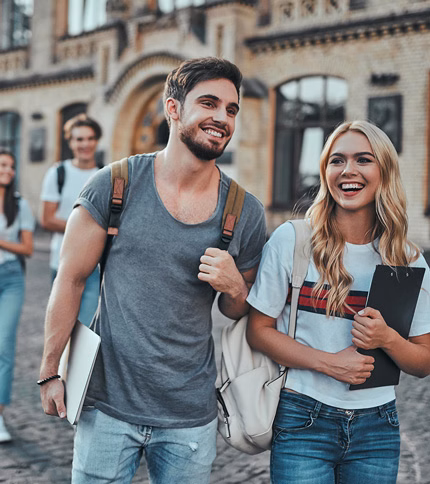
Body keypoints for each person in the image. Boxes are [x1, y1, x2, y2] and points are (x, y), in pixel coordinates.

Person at [39, 57, 266, 483]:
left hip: (189, 415)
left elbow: (238, 310)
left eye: (231, 109)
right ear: (174, 108)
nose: (222, 118)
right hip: (106, 406)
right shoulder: (115, 184)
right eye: (209, 103)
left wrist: (235, 287)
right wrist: (50, 369)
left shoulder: (245, 212)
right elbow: (69, 279)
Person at [246, 120, 430, 484]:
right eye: (336, 160)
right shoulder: (293, 241)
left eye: (363, 160)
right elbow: (259, 331)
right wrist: (331, 364)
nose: (348, 170)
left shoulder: (406, 259)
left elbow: (423, 362)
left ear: (384, 171)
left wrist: (388, 340)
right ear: (325, 170)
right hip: (303, 421)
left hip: (377, 427)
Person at [40, 114, 103, 327]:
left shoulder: (106, 174)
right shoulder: (58, 173)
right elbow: (47, 219)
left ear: (96, 141)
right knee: (61, 328)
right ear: (70, 142)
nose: (85, 144)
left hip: (95, 267)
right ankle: (58, 362)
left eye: (90, 138)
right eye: (79, 139)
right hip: (62, 264)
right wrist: (87, 228)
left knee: (85, 330)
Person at [0, 149, 35, 442]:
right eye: (3, 165)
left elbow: (27, 248)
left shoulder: (19, 204)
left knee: (4, 346)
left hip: (11, 277)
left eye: (11, 166)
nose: (8, 170)